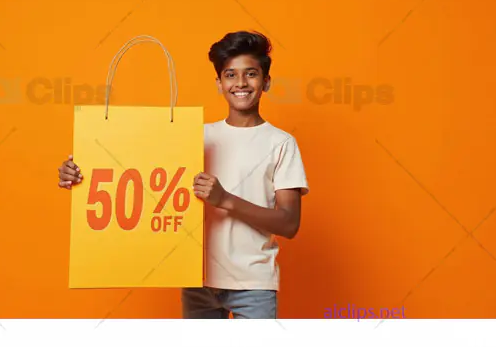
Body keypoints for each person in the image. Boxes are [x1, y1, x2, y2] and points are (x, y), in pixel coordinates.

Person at [57, 30, 309, 319]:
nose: (240, 83)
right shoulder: (195, 136)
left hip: (253, 283)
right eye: (230, 75)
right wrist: (81, 171)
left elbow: (289, 223)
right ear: (219, 83)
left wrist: (225, 199)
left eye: (250, 74)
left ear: (265, 82)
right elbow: (134, 171)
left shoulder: (280, 143)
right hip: (196, 280)